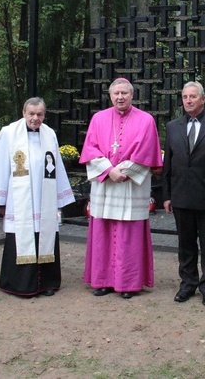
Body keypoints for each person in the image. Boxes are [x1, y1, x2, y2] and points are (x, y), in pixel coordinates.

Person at [79, 78, 163, 299]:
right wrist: (109, 170)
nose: (120, 97)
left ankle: (128, 283)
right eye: (116, 93)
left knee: (129, 235)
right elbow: (90, 148)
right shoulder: (98, 119)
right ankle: (103, 280)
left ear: (132, 95)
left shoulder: (146, 121)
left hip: (130, 185)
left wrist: (123, 171)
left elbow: (147, 151)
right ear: (110, 95)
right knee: (103, 232)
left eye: (124, 93)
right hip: (106, 183)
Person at [0, 97, 75, 297]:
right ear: (24, 113)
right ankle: (20, 284)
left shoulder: (49, 133)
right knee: (21, 235)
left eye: (40, 114)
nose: (35, 118)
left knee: (45, 235)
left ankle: (46, 283)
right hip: (20, 198)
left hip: (45, 195)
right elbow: (1, 165)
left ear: (44, 115)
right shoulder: (9, 133)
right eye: (31, 114)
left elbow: (57, 166)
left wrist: (60, 199)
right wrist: (0, 200)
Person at [163, 81, 205, 307]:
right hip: (181, 194)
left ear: (203, 99)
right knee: (185, 243)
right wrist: (166, 195)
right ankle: (188, 283)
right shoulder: (172, 127)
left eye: (193, 96)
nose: (188, 101)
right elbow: (168, 165)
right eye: (185, 97)